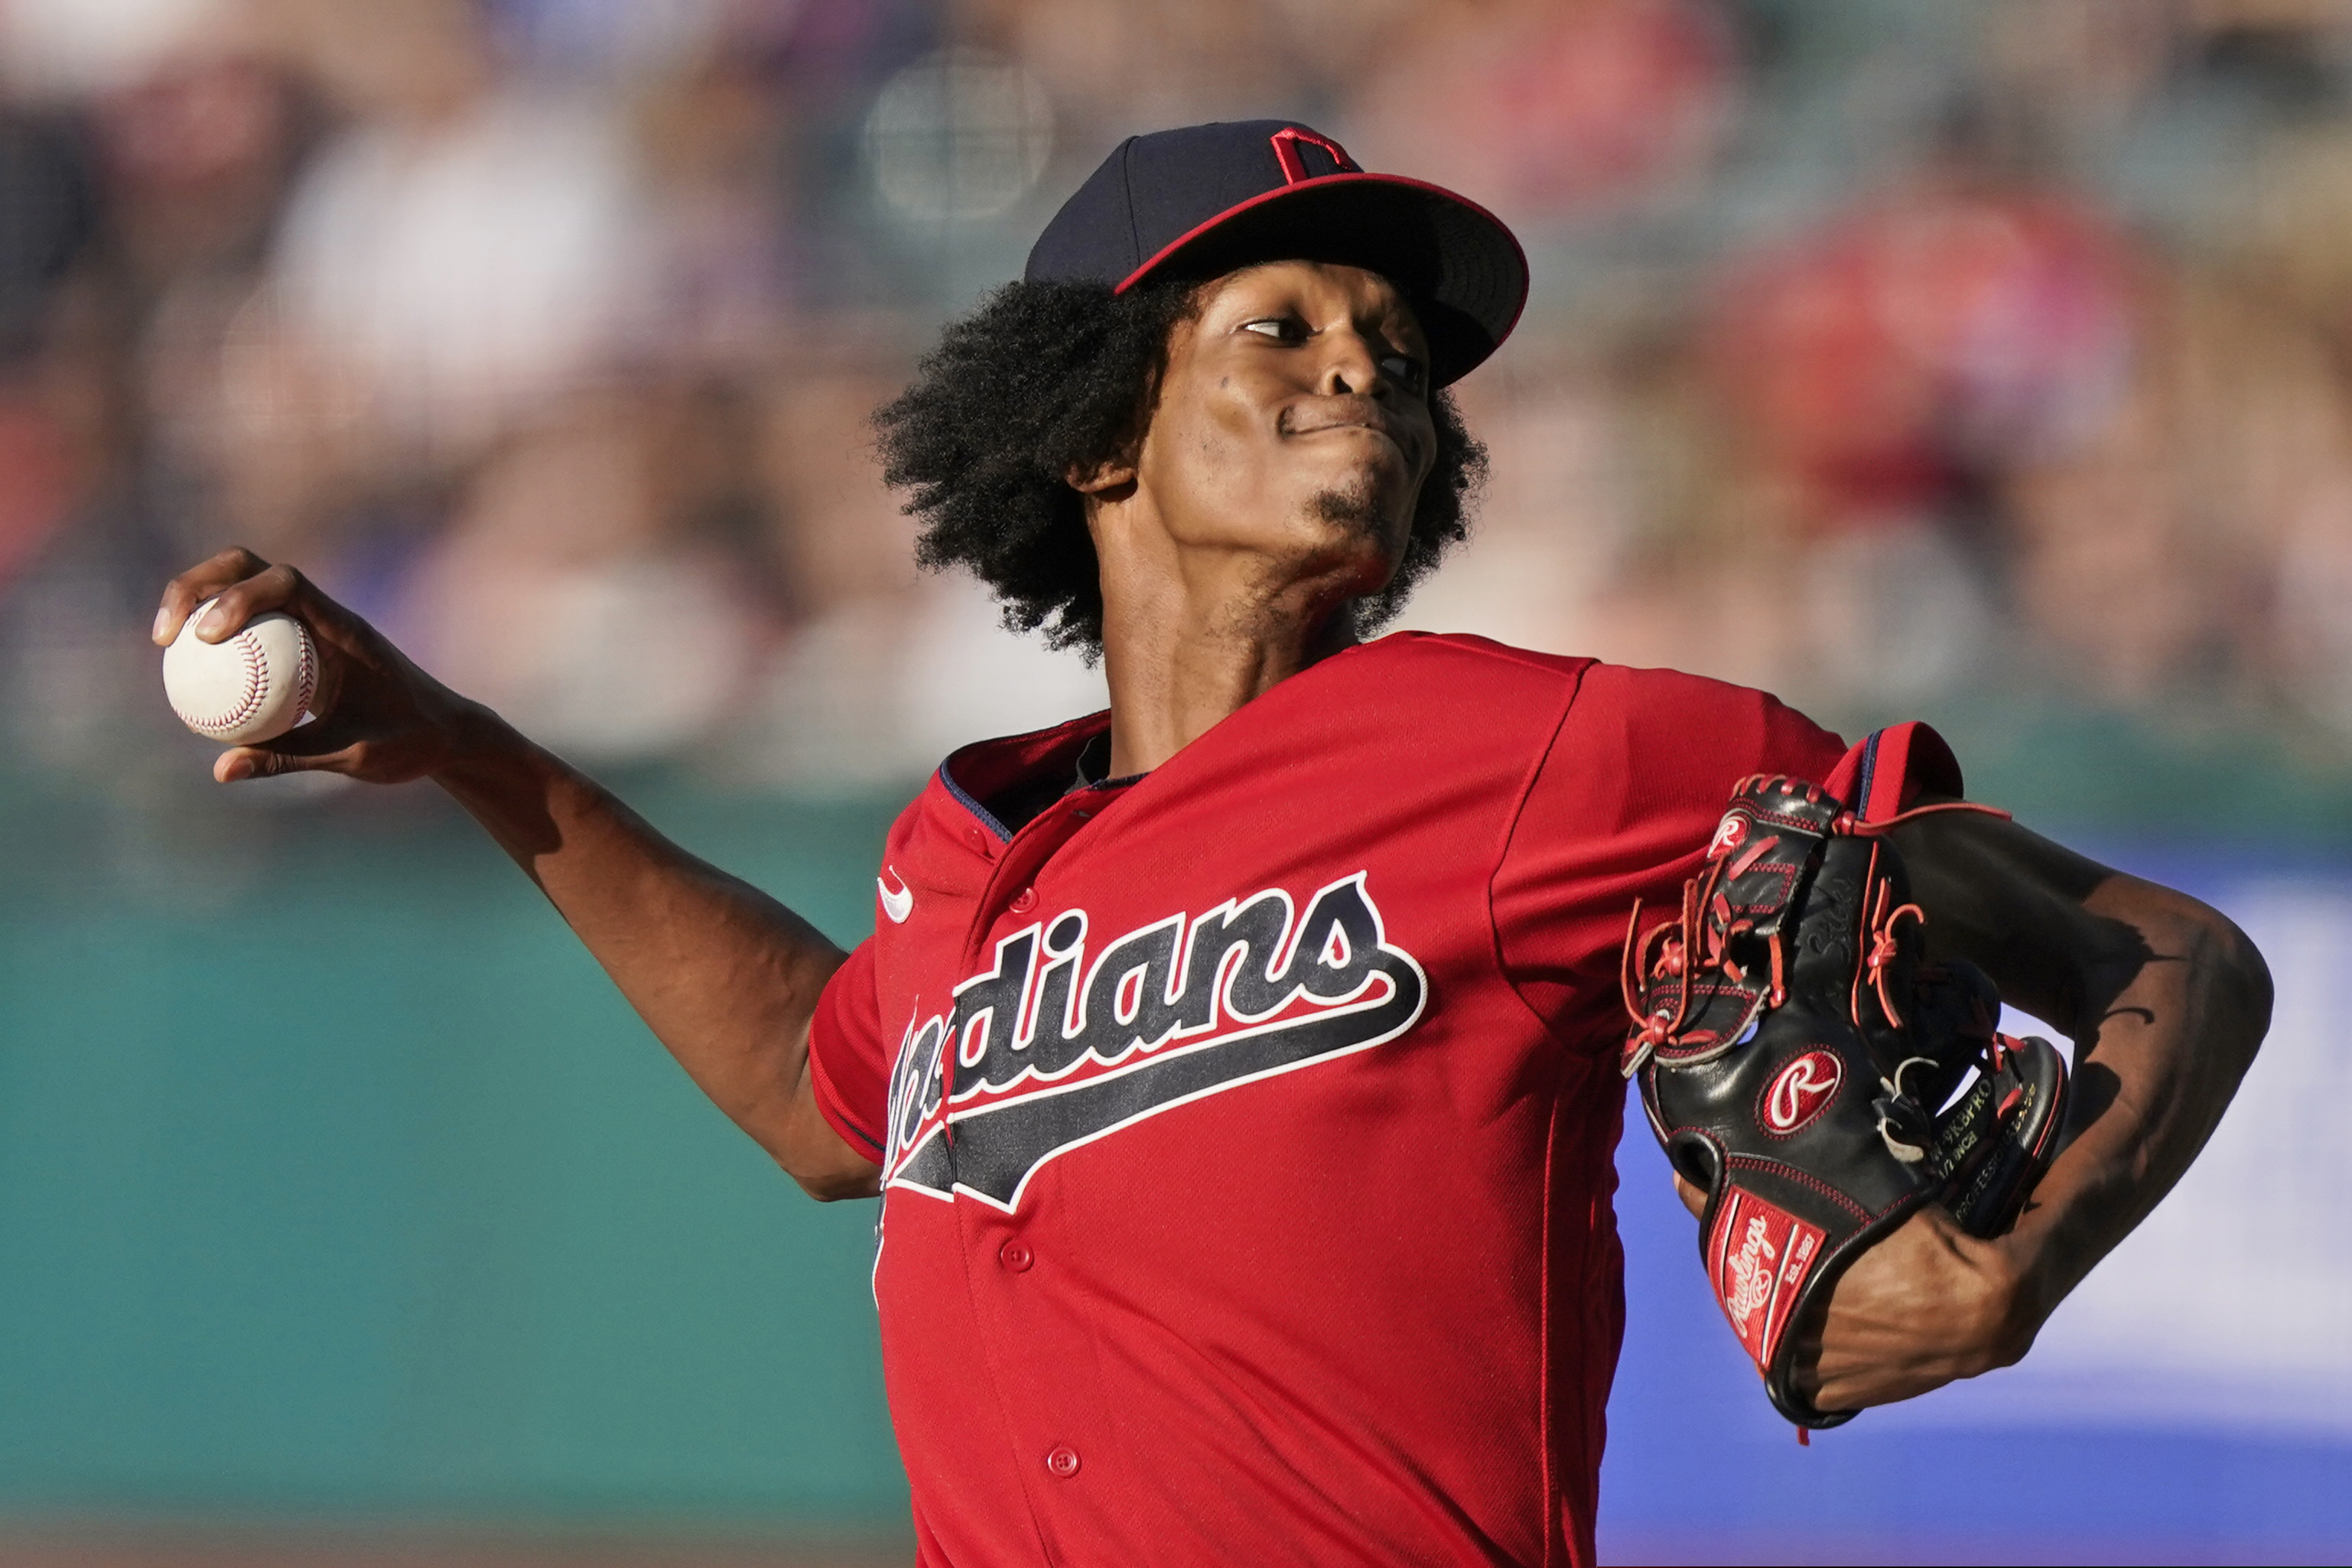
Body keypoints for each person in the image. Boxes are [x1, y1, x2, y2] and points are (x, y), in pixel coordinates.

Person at [152, 122, 2270, 1568]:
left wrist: (2011, 1256)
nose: (1368, 354)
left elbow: (2163, 945)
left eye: (1395, 346)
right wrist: (456, 743)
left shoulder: (1564, 751)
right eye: (1280, 323)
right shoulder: (959, 850)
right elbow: (828, 1089)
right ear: (1088, 426)